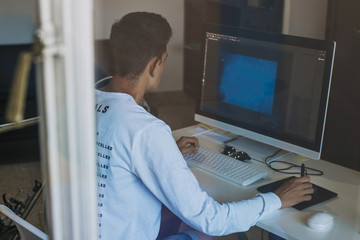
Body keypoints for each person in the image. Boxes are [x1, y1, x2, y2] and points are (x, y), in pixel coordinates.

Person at [95, 12, 314, 240]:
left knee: (183, 218)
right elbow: (212, 220)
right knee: (225, 234)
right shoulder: (146, 130)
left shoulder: (80, 106)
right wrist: (278, 198)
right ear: (155, 65)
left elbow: (113, 156)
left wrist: (163, 154)